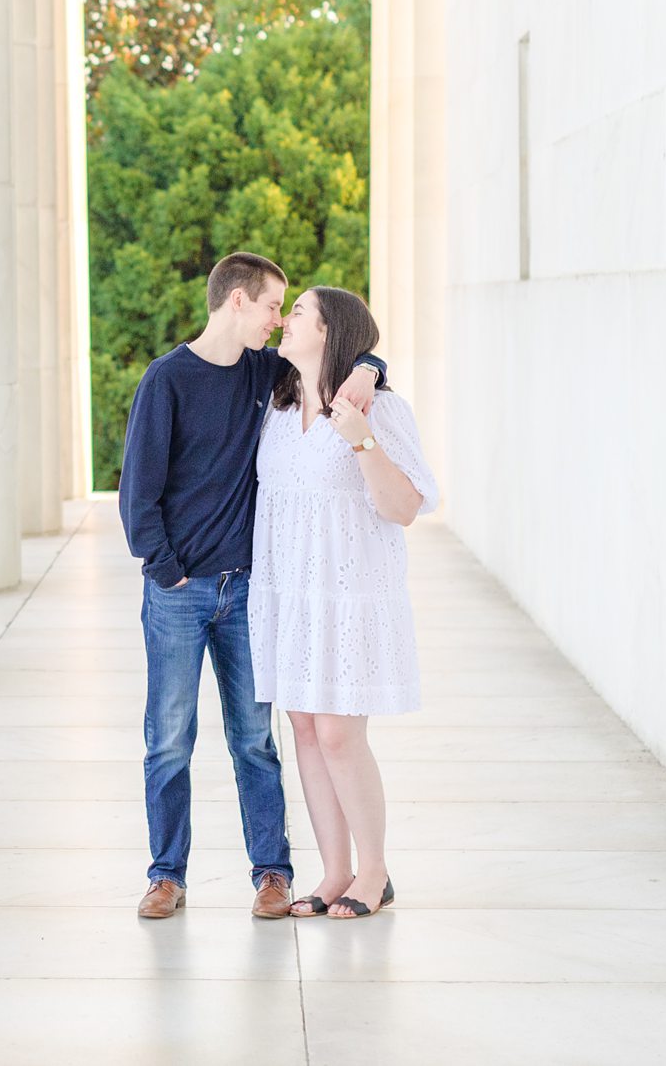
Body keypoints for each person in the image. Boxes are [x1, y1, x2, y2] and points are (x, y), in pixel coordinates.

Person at [118, 253, 384, 920]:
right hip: (179, 590)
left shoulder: (267, 374)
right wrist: (167, 567)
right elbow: (137, 494)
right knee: (171, 735)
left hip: (248, 594)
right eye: (273, 305)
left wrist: (369, 367)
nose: (278, 318)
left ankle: (272, 871)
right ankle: (166, 875)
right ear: (237, 301)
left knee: (254, 737)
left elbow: (350, 358)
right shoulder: (167, 379)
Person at [247, 285, 437, 920]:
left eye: (297, 311)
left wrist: (361, 438)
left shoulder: (380, 410)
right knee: (303, 725)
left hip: (349, 593)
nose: (285, 320)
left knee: (337, 733)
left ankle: (375, 872)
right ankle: (335, 871)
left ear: (331, 332)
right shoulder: (276, 401)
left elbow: (404, 508)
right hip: (289, 592)